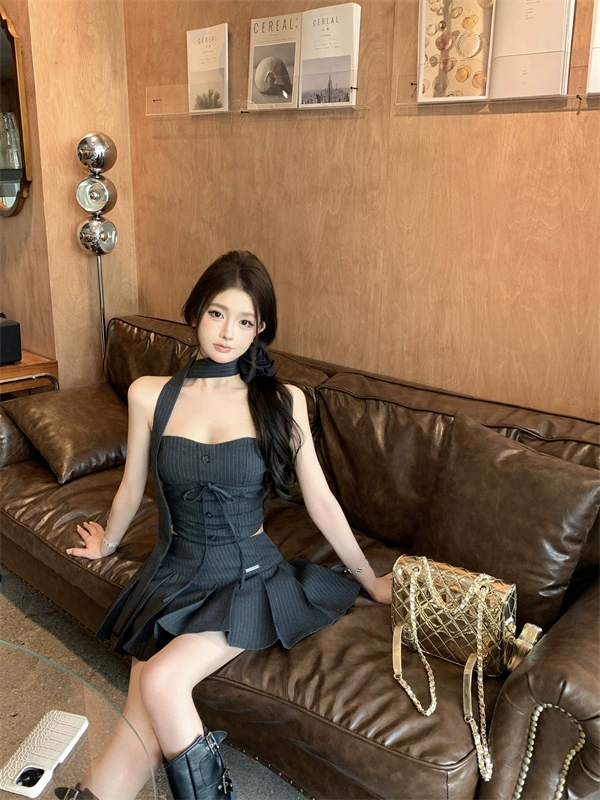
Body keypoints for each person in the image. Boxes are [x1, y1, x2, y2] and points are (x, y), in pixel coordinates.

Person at [56, 250, 392, 800]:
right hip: (174, 572)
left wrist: (370, 579)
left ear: (260, 329)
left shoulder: (281, 400)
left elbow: (322, 501)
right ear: (196, 312)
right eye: (217, 313)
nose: (227, 332)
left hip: (247, 577)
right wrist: (108, 542)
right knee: (141, 711)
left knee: (160, 680)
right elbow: (132, 485)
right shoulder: (149, 393)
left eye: (245, 321)